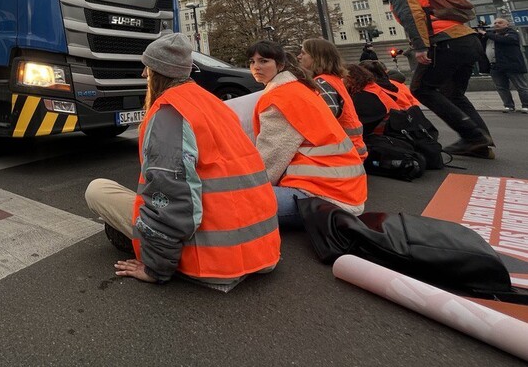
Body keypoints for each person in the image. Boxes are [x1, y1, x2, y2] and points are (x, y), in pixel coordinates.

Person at [85, 33, 280, 290]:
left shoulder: (169, 111)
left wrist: (155, 268)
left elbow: (170, 195)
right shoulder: (214, 104)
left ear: (158, 73)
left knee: (97, 190)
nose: (144, 74)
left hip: (215, 256)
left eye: (148, 67)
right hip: (263, 250)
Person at [379, 0, 494, 158]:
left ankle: (473, 137)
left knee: (420, 89)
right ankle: (480, 141)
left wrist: (420, 46)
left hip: (446, 43)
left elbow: (411, 16)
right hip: (467, 40)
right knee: (452, 93)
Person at [247, 40, 367, 228]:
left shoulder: (279, 99)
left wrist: (246, 185)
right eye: (252, 62)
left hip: (323, 195)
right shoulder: (298, 88)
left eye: (263, 61)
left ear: (280, 65)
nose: (256, 67)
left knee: (234, 201)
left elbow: (271, 159)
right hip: (344, 188)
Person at [297, 37, 367, 160]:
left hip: (343, 153)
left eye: (303, 53)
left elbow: (323, 120)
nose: (298, 57)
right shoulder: (333, 79)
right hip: (352, 149)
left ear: (317, 57)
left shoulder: (321, 82)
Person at [481, 18, 528, 113]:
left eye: (500, 22)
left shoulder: (512, 33)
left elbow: (505, 40)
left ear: (507, 25)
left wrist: (486, 34)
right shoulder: (491, 35)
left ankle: (526, 105)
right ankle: (508, 105)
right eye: (495, 23)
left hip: (511, 64)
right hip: (495, 65)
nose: (497, 24)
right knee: (501, 87)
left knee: (521, 86)